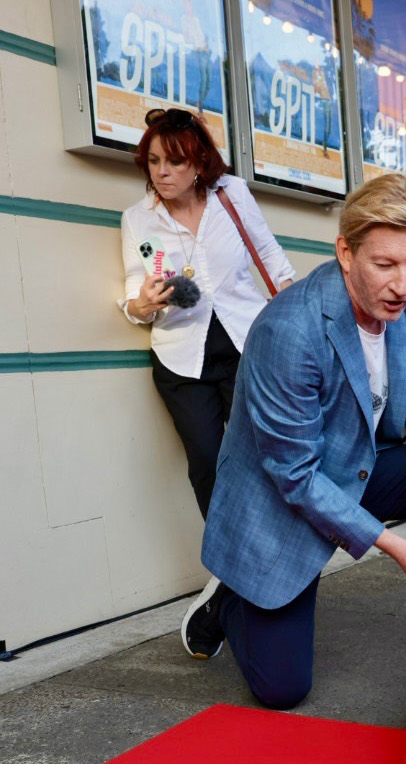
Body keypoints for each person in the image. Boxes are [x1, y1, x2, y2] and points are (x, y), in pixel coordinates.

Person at [183, 175, 406, 708]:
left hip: (354, 470)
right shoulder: (290, 329)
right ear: (346, 253)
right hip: (281, 500)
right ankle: (228, 600)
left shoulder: (400, 303)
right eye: (385, 264)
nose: (402, 284)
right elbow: (296, 476)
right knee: (283, 690)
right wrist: (394, 545)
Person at [119, 107, 296, 523]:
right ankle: (228, 562)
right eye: (155, 160)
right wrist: (142, 304)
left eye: (175, 161)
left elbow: (268, 253)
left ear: (198, 162)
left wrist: (290, 311)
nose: (162, 172)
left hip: (246, 344)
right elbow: (132, 288)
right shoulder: (138, 219)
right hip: (181, 357)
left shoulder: (230, 193)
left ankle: (271, 552)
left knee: (258, 454)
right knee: (206, 461)